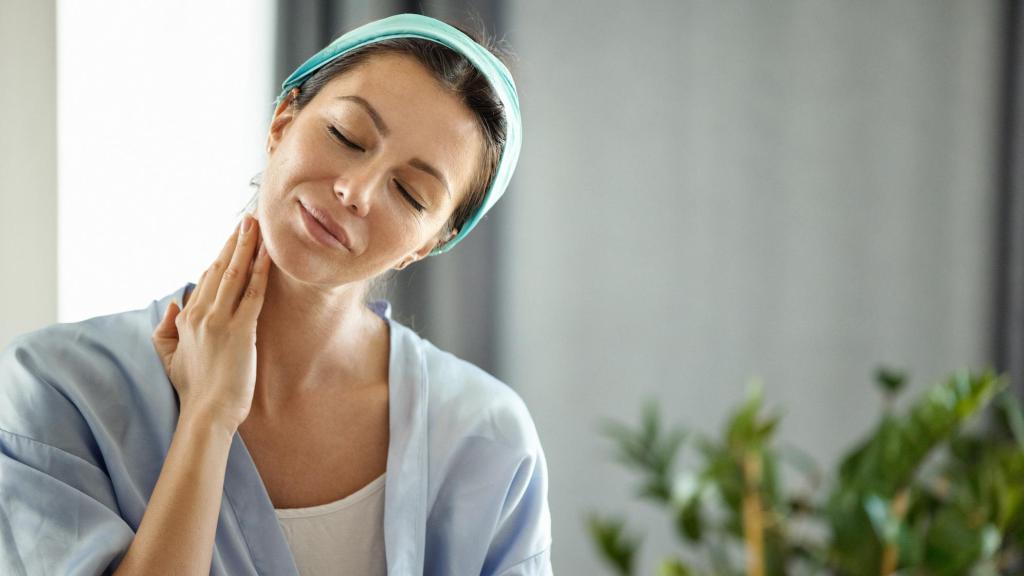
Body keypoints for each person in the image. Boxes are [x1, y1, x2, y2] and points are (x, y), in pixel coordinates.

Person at [0, 13, 551, 576]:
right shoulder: (53, 388)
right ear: (283, 119)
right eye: (346, 136)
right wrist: (208, 418)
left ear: (429, 244)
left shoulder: (488, 439)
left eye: (410, 194)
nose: (354, 191)